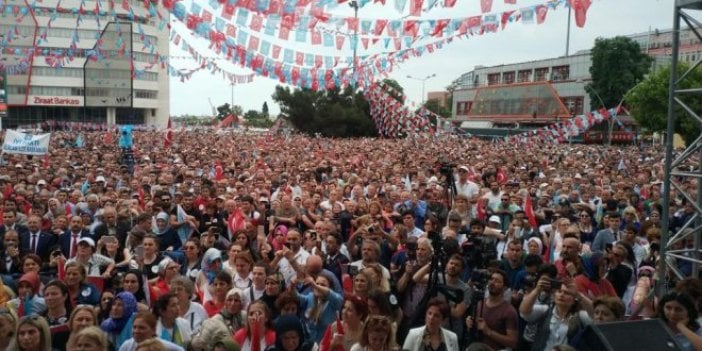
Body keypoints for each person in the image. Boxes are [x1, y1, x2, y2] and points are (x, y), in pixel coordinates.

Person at [519, 275, 594, 351]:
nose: (562, 295)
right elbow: (524, 311)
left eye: (567, 293)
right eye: (559, 291)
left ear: (574, 300)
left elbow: (595, 315)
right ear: (554, 296)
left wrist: (578, 294)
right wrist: (537, 290)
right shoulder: (546, 310)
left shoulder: (580, 315)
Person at [465, 270, 519, 350]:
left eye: (497, 281)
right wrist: (469, 323)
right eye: (491, 279)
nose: (492, 282)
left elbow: (513, 342)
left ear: (504, 287)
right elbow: (475, 329)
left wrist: (488, 332)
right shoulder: (480, 303)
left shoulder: (509, 311)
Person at [119, 312, 184, 351]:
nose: (136, 331)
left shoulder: (164, 346)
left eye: (141, 328)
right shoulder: (127, 345)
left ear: (153, 330)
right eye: (134, 327)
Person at [41, 280, 71, 351]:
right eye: (47, 295)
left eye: (54, 294)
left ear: (65, 296)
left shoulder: (73, 317)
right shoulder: (39, 318)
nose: (49, 298)